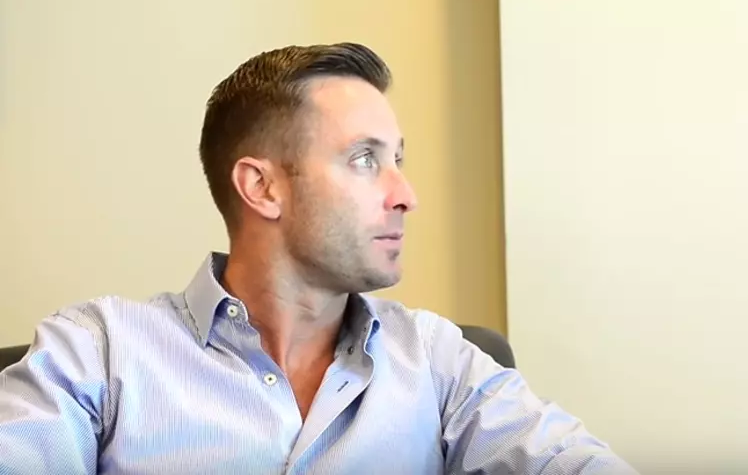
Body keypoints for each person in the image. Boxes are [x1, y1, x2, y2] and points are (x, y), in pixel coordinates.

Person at [0, 43, 636, 474]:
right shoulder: (96, 353)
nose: (405, 195)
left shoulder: (441, 362)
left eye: (399, 160)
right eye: (365, 159)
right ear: (263, 187)